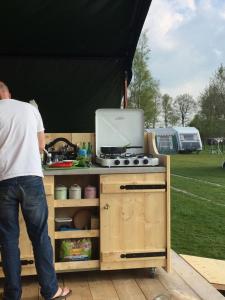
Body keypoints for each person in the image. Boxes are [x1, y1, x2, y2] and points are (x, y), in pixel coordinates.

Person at [0, 81, 71, 300]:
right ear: (8, 93)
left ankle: (13, 295)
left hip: (3, 181)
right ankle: (50, 291)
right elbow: (41, 145)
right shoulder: (30, 109)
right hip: (31, 178)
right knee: (40, 235)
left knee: (8, 239)